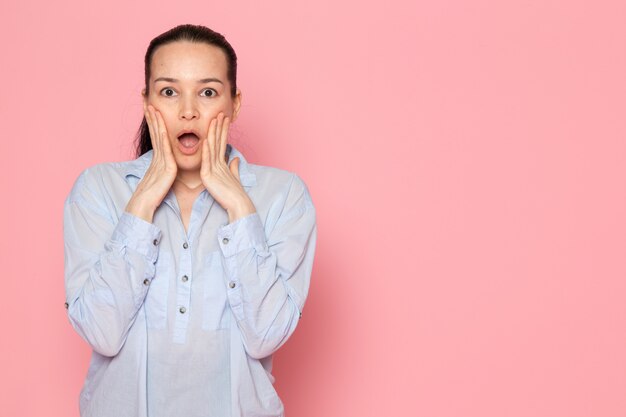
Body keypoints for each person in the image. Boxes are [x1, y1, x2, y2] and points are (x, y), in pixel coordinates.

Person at [63, 24, 317, 417]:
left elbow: (267, 334)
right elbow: (101, 332)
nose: (187, 110)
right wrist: (145, 199)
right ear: (146, 101)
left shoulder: (283, 195)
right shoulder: (99, 188)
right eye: (168, 91)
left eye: (208, 92)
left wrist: (238, 204)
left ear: (234, 103)